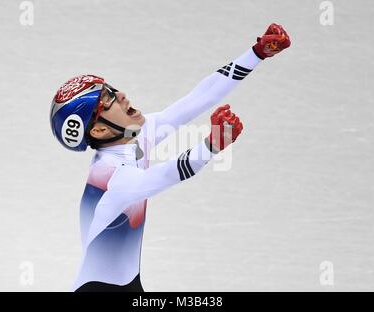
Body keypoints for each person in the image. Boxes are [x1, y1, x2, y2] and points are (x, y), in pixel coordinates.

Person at [50, 23, 291, 292]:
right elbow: (166, 175)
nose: (121, 95)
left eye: (111, 89)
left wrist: (257, 53)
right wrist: (211, 144)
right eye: (109, 100)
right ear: (100, 130)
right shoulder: (110, 177)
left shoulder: (134, 136)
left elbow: (199, 98)